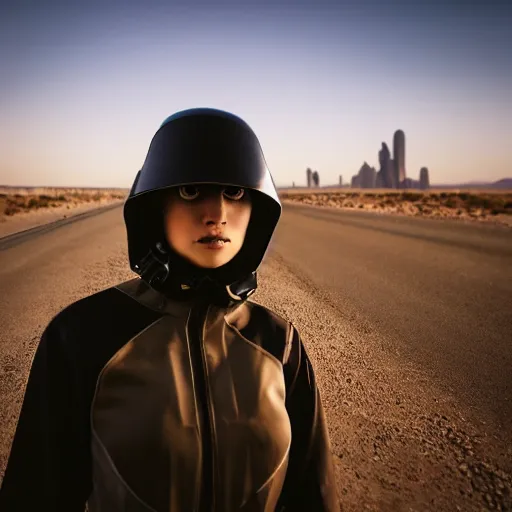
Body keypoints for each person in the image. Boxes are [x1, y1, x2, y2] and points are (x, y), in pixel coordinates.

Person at [0, 108, 339, 511]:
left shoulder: (279, 342)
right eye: (191, 191)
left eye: (234, 192)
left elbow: (313, 498)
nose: (217, 215)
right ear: (156, 206)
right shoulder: (82, 336)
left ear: (257, 208)